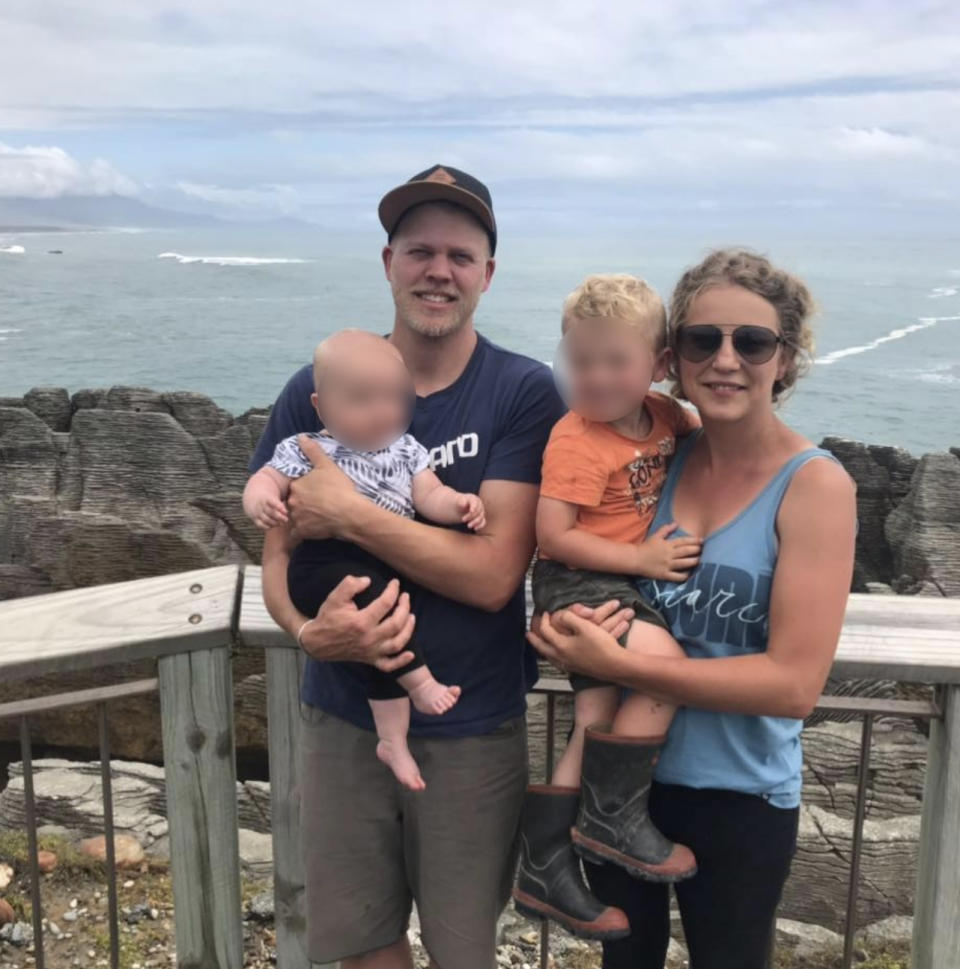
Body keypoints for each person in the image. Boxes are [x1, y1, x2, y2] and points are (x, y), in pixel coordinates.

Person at [250, 165, 594, 969]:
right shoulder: (318, 387)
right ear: (388, 263)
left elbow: (491, 576)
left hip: (473, 723)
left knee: (462, 945)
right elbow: (272, 555)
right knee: (362, 940)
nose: (439, 271)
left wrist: (349, 515)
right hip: (340, 714)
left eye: (460, 256)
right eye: (419, 251)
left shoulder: (521, 393)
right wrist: (309, 632)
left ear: (487, 275)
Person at [527, 249, 857, 969]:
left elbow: (795, 686)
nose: (726, 359)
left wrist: (612, 662)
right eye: (705, 339)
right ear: (672, 357)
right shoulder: (658, 450)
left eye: (753, 340)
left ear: (786, 357)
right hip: (628, 791)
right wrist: (565, 632)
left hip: (739, 794)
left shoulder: (815, 487)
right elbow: (581, 554)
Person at [513, 274, 702, 941]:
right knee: (664, 670)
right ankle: (611, 818)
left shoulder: (668, 417)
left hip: (615, 585)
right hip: (577, 581)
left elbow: (706, 436)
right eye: (579, 358)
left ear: (658, 366)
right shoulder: (575, 438)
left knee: (594, 714)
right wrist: (645, 560)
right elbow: (553, 536)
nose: (593, 377)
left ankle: (543, 862)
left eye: (614, 361)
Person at [244, 330, 487, 791]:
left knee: (378, 642)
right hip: (323, 562)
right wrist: (259, 499)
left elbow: (429, 494)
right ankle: (419, 681)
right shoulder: (308, 446)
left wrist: (458, 504)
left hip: (380, 561)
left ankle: (392, 740)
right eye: (362, 400)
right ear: (321, 406)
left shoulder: (406, 449)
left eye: (394, 400)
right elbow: (267, 479)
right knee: (384, 613)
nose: (383, 412)